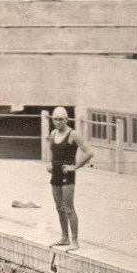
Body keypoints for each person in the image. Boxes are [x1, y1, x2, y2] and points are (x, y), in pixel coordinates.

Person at [46, 106, 92, 250]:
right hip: (56, 175)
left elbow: (89, 152)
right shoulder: (53, 134)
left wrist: (75, 167)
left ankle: (75, 240)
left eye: (61, 119)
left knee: (69, 208)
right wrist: (49, 162)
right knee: (59, 207)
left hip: (67, 175)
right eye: (55, 119)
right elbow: (50, 151)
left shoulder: (73, 134)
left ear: (66, 119)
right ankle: (64, 237)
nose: (58, 122)